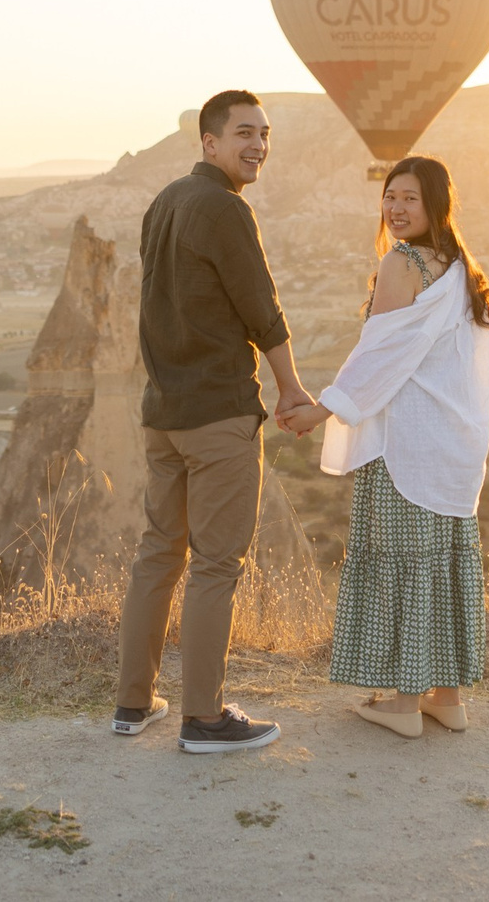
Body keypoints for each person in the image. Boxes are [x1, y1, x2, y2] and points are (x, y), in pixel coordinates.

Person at [112, 89, 316, 754]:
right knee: (216, 565)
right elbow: (263, 309)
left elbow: (155, 306)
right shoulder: (226, 210)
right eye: (243, 134)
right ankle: (203, 718)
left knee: (158, 553)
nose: (257, 145)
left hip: (163, 413)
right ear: (209, 141)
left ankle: (132, 703)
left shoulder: (164, 202)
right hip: (216, 413)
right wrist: (291, 390)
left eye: (265, 134)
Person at [278, 155, 489, 739]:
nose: (396, 209)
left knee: (402, 561)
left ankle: (402, 703)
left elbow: (380, 357)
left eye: (410, 199)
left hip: (409, 445)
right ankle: (447, 697)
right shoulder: (461, 269)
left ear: (435, 207)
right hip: (456, 446)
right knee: (443, 565)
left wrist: (322, 408)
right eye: (390, 197)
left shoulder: (402, 263)